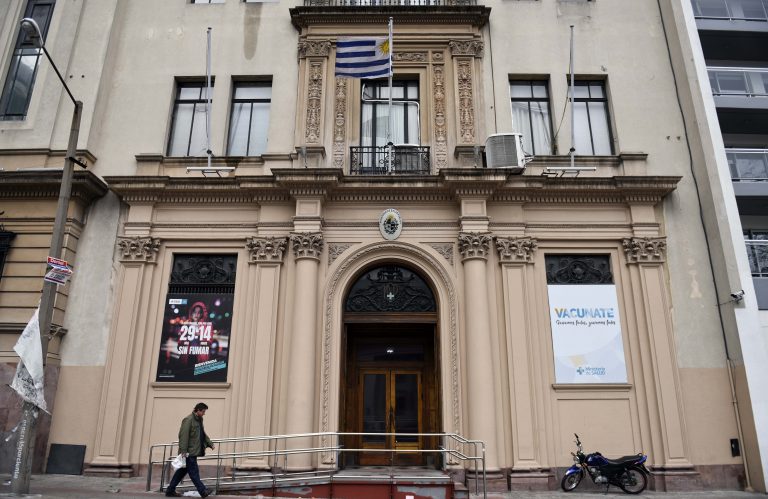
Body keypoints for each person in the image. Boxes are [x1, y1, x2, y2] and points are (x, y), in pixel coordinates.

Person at [165, 402, 215, 497]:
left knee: (181, 472)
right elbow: (183, 436)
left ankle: (170, 490)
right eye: (203, 411)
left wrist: (210, 443)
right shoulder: (188, 420)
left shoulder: (199, 419)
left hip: (193, 451)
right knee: (194, 472)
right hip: (188, 452)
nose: (204, 413)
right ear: (198, 410)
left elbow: (202, 434)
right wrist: (183, 451)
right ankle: (203, 491)